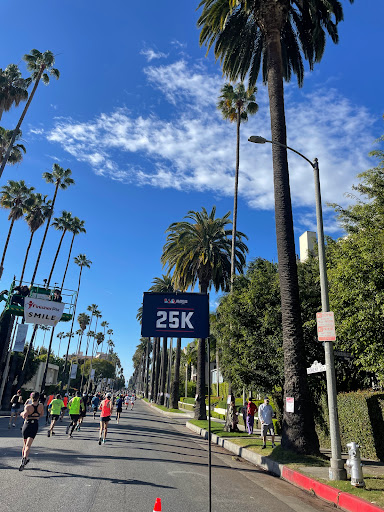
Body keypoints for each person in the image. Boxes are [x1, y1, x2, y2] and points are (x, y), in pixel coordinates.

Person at [19, 391, 44, 470]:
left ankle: (24, 458)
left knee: (25, 444)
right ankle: (25, 458)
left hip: (27, 424)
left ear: (31, 398)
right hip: (34, 425)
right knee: (28, 445)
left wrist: (22, 413)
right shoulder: (41, 405)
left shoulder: (28, 406)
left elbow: (24, 415)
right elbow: (42, 414)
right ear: (38, 398)